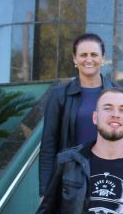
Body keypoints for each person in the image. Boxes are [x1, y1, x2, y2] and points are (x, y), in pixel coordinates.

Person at [39, 33, 115, 197]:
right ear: (75, 59)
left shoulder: (117, 93)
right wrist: (45, 192)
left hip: (109, 179)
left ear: (103, 58)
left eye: (94, 54)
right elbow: (48, 148)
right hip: (70, 183)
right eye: (83, 55)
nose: (89, 60)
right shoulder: (59, 96)